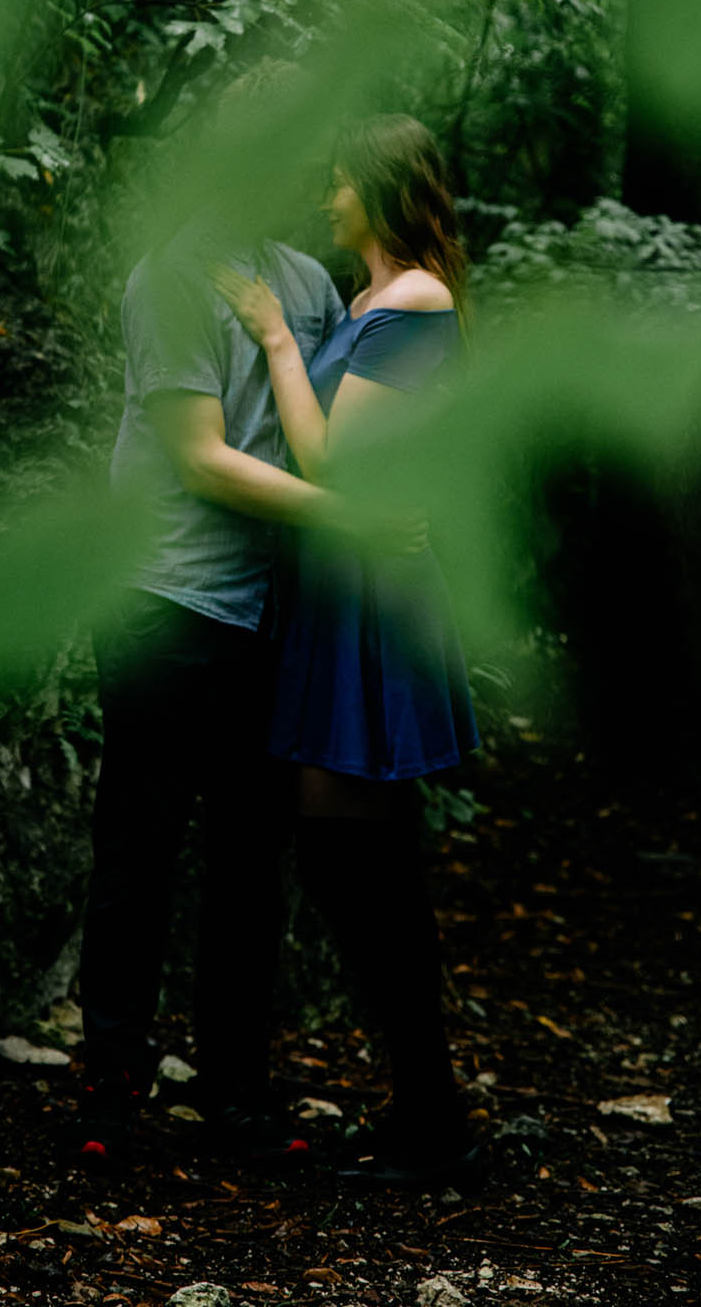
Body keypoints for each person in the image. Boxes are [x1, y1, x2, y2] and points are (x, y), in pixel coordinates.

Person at [74, 72, 348, 1166]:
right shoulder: (171, 277)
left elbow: (328, 429)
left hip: (269, 615)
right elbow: (199, 459)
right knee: (139, 850)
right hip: (163, 601)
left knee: (249, 861)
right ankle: (109, 1090)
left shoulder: (308, 284)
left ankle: (234, 1092)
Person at [212, 112, 484, 1193]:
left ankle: (435, 1123)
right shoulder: (368, 300)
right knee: (352, 855)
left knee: (357, 857)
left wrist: (277, 339)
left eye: (338, 183)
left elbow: (334, 465)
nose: (326, 200)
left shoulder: (416, 299)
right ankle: (425, 1111)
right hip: (337, 588)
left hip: (374, 594)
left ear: (376, 188)